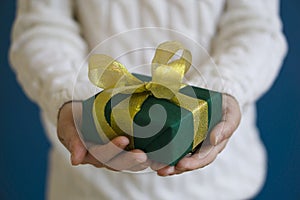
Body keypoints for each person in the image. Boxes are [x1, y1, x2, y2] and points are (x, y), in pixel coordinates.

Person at [9, 0, 287, 199]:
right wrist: (69, 96)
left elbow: (255, 27)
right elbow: (42, 26)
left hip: (220, 184)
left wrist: (222, 94)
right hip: (89, 188)